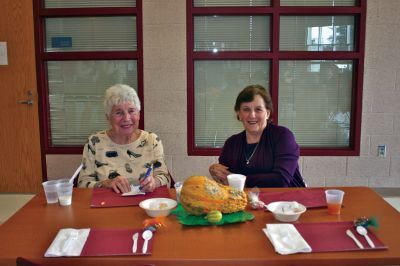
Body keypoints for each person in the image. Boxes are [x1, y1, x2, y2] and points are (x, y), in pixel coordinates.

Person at [78, 84, 172, 193]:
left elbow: (165, 178)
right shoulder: (94, 142)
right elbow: (82, 184)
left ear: (139, 114)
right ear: (108, 117)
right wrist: (105, 183)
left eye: (131, 111)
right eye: (119, 112)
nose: (127, 118)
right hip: (106, 206)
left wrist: (154, 182)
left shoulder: (152, 140)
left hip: (144, 205)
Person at [209, 84, 306, 188]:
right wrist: (214, 170)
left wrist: (240, 179)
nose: (252, 115)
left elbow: (280, 180)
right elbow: (225, 181)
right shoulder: (232, 143)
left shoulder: (282, 136)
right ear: (239, 114)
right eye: (246, 109)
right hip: (248, 202)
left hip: (287, 202)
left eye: (258, 109)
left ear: (267, 113)